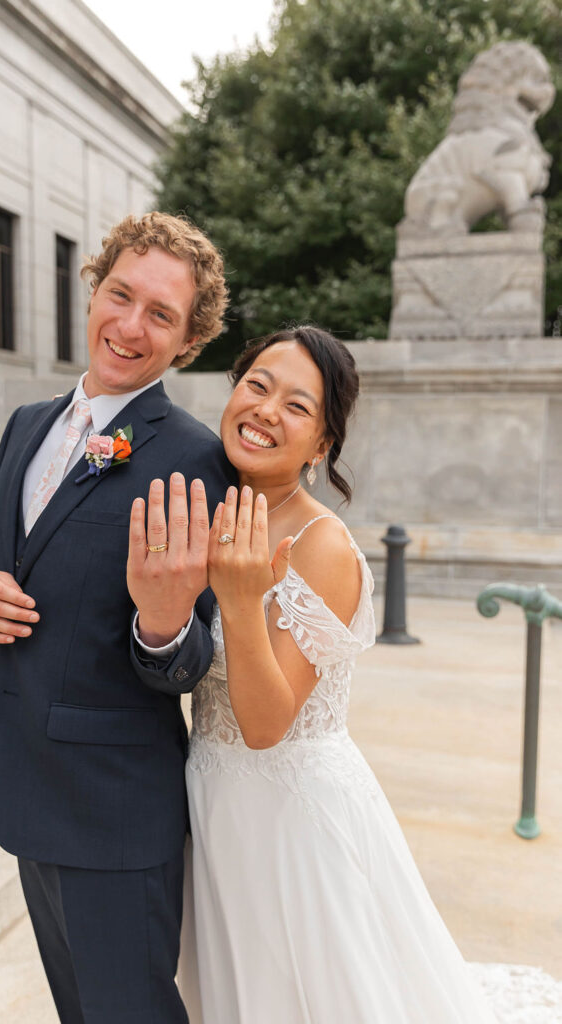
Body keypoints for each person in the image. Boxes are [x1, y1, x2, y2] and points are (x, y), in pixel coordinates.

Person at [130, 325, 562, 1022]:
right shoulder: (212, 505)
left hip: (291, 818)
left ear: (323, 444)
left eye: (297, 407)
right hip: (213, 802)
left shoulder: (320, 544)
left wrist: (241, 602)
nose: (267, 411)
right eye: (257, 385)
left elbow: (268, 725)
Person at [0, 211, 236, 1024]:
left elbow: (188, 658)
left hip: (113, 810)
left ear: (187, 341)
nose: (129, 326)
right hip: (23, 783)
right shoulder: (26, 425)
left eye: (160, 315)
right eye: (121, 295)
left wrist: (165, 619)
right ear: (94, 288)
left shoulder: (189, 456)